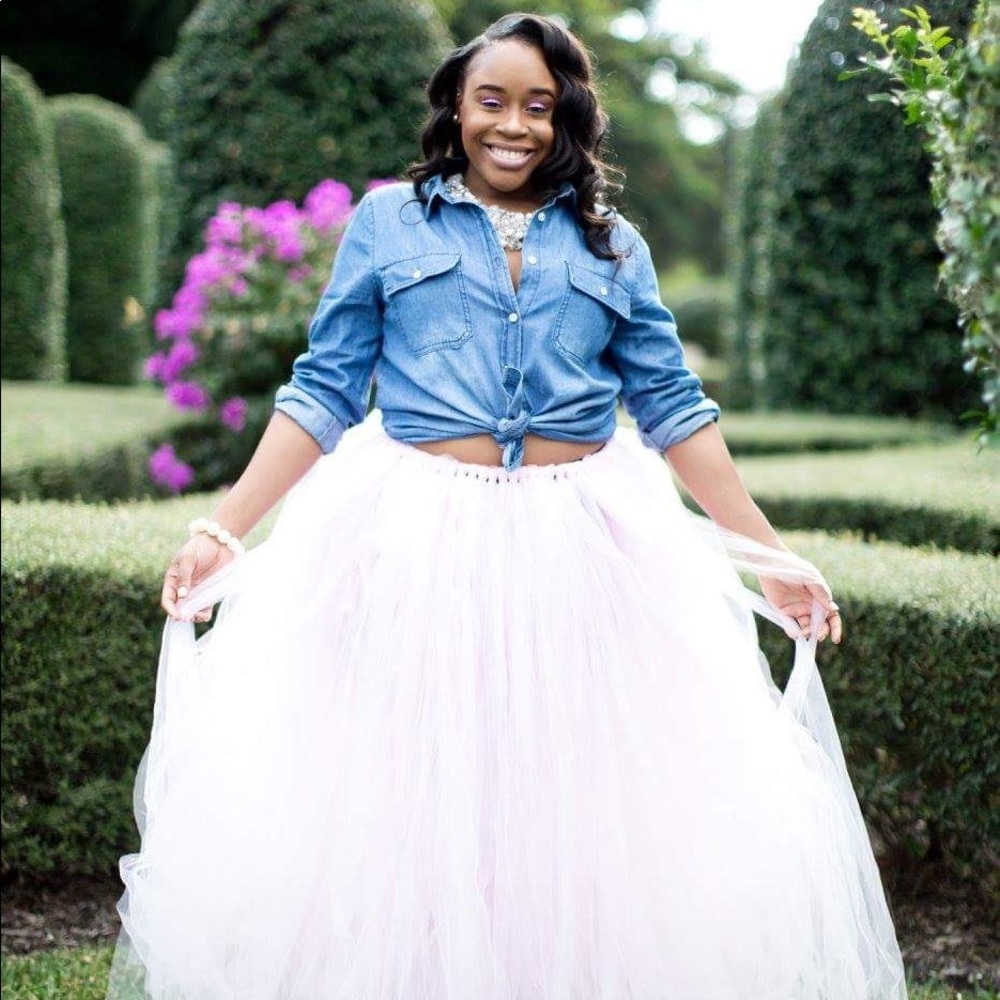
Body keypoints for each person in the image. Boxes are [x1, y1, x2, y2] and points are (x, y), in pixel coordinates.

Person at [108, 13, 907, 999]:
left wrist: (769, 554)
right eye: (492, 100)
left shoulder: (614, 246)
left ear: (566, 115)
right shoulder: (388, 225)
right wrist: (221, 527)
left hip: (581, 536)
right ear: (455, 103)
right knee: (416, 786)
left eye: (540, 105)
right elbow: (321, 389)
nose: (514, 126)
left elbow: (672, 409)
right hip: (417, 529)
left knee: (575, 794)